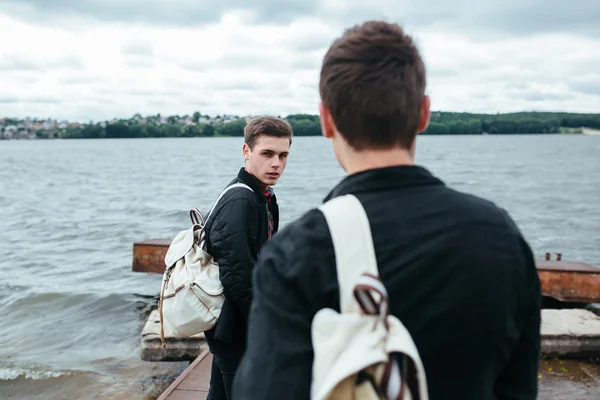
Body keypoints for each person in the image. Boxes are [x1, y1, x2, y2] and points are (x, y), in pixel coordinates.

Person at [232, 20, 541, 400]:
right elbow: (520, 386)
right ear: (424, 113)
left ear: (327, 120)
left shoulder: (298, 253)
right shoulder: (501, 235)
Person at [203, 116, 292, 400]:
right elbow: (237, 275)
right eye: (267, 154)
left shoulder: (262, 196)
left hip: (231, 325)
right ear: (246, 152)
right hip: (234, 326)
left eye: (283, 155)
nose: (276, 163)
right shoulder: (241, 201)